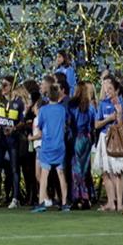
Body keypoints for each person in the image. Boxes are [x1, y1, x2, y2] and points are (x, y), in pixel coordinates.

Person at [93, 76, 123, 212]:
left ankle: (120, 203)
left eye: (110, 88)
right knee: (106, 171)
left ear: (117, 90)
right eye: (105, 87)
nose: (107, 90)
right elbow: (96, 124)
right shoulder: (103, 104)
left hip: (117, 140)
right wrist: (109, 119)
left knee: (118, 172)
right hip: (104, 138)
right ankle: (111, 202)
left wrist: (120, 114)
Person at [31, 84, 70, 213]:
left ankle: (42, 202)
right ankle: (64, 203)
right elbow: (64, 124)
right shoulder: (62, 110)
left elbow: (40, 125)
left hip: (47, 145)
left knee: (44, 174)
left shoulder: (44, 110)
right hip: (59, 145)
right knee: (61, 174)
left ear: (47, 96)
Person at [68, 81, 96, 209]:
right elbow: (92, 124)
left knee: (76, 169)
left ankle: (78, 196)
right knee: (84, 169)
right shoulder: (90, 107)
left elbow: (69, 122)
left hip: (77, 137)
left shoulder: (73, 106)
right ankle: (86, 196)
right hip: (87, 138)